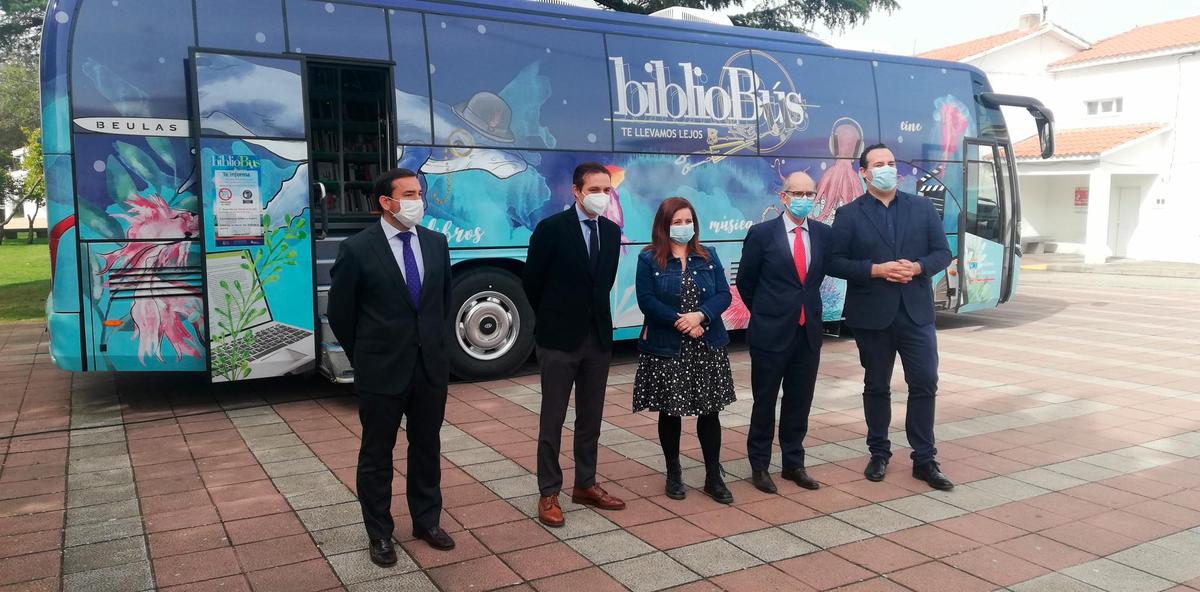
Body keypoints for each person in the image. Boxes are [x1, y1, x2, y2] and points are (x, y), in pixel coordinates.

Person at [326, 168, 456, 567]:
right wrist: (366, 355)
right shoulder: (357, 249)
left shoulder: (436, 243)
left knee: (427, 447)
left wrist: (435, 349)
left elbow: (442, 304)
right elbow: (341, 314)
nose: (419, 200)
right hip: (382, 370)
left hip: (429, 368)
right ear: (385, 202)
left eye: (420, 192)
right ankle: (380, 533)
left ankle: (426, 521)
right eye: (410, 193)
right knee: (377, 454)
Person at [827, 143, 954, 491]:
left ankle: (925, 459)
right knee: (877, 386)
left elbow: (943, 252)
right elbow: (834, 261)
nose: (887, 168)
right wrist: (876, 270)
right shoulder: (849, 214)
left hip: (916, 313)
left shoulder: (922, 208)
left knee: (925, 381)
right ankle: (879, 452)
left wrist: (916, 267)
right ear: (864, 173)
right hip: (873, 316)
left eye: (891, 163)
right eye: (878, 164)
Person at [523, 162, 626, 527]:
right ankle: (549, 491)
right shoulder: (551, 230)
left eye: (606, 190)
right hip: (558, 340)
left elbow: (604, 283)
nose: (601, 196)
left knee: (591, 418)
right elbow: (532, 283)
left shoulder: (612, 232)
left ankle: (586, 484)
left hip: (597, 338)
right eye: (594, 189)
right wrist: (555, 317)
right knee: (553, 419)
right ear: (576, 191)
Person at [633, 197, 736, 504]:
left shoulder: (708, 255)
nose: (683, 227)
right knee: (670, 412)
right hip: (668, 347)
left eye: (688, 221)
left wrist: (701, 316)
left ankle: (712, 476)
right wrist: (682, 322)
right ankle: (673, 472)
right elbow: (646, 300)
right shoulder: (649, 258)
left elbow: (724, 294)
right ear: (664, 226)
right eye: (676, 222)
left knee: (709, 412)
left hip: (706, 344)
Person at [736, 172, 831, 494]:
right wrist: (768, 313)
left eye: (810, 193)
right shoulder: (762, 234)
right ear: (783, 196)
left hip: (808, 334)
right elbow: (746, 283)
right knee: (764, 402)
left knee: (799, 401)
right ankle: (759, 465)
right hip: (770, 334)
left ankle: (794, 463)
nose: (804, 198)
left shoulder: (822, 234)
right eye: (798, 193)